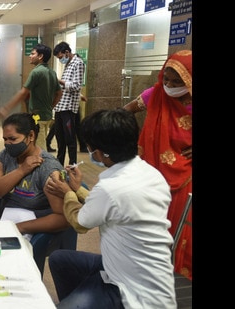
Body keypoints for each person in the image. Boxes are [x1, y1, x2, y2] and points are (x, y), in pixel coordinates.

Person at [45, 108, 176, 309]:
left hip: (132, 288)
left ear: (98, 153)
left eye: (89, 148)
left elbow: (80, 223)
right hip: (129, 266)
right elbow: (112, 206)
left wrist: (67, 193)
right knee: (60, 260)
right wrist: (77, 189)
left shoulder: (110, 188)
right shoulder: (150, 174)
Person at [123, 49, 192, 280]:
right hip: (149, 171)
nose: (170, 85)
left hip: (185, 179)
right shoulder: (156, 94)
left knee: (177, 227)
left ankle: (174, 276)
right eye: (167, 79)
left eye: (178, 81)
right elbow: (125, 112)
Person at [0, 112, 70, 241]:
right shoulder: (6, 155)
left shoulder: (48, 168)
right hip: (4, 213)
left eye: (12, 139)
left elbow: (62, 218)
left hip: (31, 222)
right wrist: (21, 171)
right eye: (5, 139)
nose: (7, 144)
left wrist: (19, 227)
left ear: (31, 136)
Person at [0, 43, 62, 152]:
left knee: (40, 149)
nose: (30, 56)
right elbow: (59, 93)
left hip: (38, 117)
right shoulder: (52, 72)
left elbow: (23, 92)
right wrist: (50, 107)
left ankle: (43, 168)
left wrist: (6, 108)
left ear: (40, 56)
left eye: (33, 54)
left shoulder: (36, 72)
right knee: (39, 144)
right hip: (47, 115)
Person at [52, 41, 85, 165]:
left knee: (70, 139)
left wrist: (59, 81)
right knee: (60, 138)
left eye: (60, 57)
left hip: (69, 108)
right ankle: (59, 163)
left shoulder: (78, 63)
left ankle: (72, 165)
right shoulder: (69, 64)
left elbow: (76, 86)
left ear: (67, 52)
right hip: (60, 107)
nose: (61, 60)